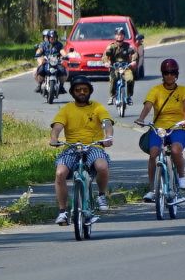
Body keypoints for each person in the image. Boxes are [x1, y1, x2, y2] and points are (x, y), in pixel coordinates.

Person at [49, 75, 114, 225]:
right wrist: (54, 138)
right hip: (72, 147)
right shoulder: (67, 109)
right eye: (78, 90)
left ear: (90, 91)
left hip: (93, 146)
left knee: (102, 166)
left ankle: (101, 195)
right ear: (72, 92)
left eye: (85, 89)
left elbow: (106, 122)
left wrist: (108, 136)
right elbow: (57, 126)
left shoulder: (97, 107)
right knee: (60, 173)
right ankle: (63, 212)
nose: (82, 92)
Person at [135, 58, 185, 201]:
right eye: (166, 73)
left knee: (175, 150)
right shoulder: (155, 90)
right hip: (159, 128)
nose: (169, 76)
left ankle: (181, 177)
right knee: (154, 153)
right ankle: (152, 189)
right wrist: (141, 119)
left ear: (176, 74)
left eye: (172, 73)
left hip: (178, 127)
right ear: (162, 74)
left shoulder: (183, 90)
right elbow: (148, 106)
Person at [103, 27, 137, 105]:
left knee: (130, 79)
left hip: (126, 67)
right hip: (114, 67)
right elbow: (105, 55)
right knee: (113, 79)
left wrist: (133, 61)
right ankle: (112, 96)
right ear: (115, 36)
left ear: (124, 36)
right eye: (118, 35)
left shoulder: (128, 46)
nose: (120, 36)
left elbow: (134, 53)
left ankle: (129, 97)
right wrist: (106, 62)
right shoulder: (111, 46)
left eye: (121, 34)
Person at [34, 29, 67, 93]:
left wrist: (65, 55)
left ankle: (61, 86)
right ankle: (39, 85)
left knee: (63, 71)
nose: (53, 39)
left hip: (56, 62)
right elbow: (40, 50)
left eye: (54, 37)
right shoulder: (44, 44)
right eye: (51, 38)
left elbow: (62, 51)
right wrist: (38, 54)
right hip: (46, 61)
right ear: (48, 38)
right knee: (40, 70)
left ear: (56, 38)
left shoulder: (59, 45)